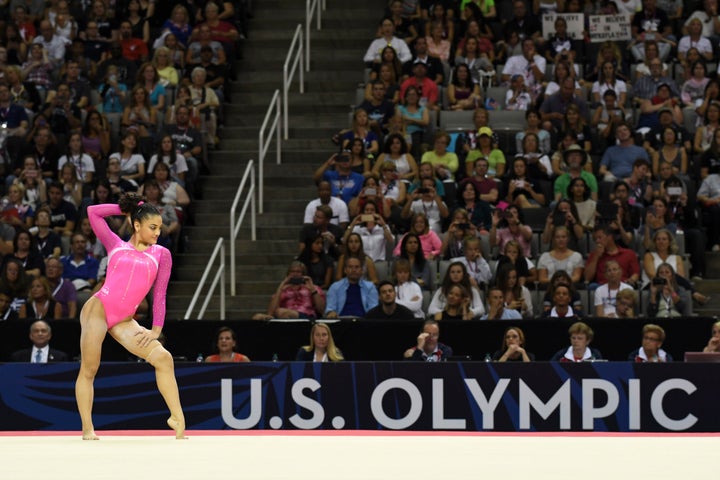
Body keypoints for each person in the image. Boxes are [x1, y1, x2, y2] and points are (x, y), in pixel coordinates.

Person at [75, 193, 186, 440]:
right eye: (152, 227)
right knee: (90, 368)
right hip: (98, 309)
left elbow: (160, 295)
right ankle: (87, 429)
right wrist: (128, 207)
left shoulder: (162, 254)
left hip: (125, 319)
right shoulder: (115, 244)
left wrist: (156, 330)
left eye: (159, 227)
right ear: (137, 225)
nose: (158, 232)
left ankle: (177, 418)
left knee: (164, 358)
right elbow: (93, 211)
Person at [255, 262, 325, 321]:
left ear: (303, 274)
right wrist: (280, 287)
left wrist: (313, 290)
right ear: (288, 274)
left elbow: (322, 310)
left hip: (306, 317)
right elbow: (270, 313)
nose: (295, 274)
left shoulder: (313, 287)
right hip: (284, 316)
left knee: (281, 312)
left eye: (298, 272)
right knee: (257, 317)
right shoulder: (283, 290)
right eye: (292, 271)